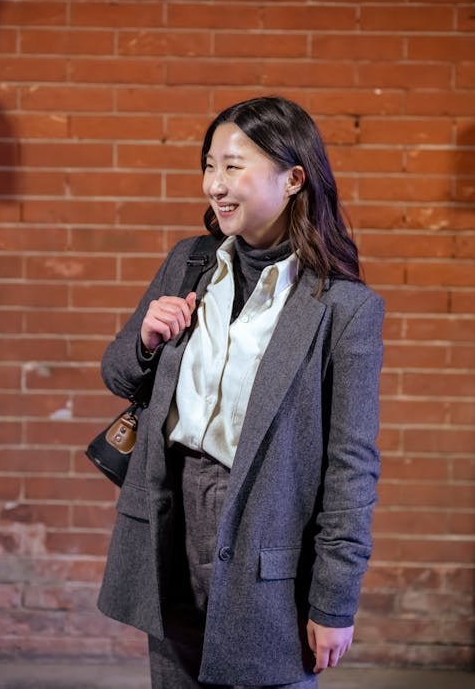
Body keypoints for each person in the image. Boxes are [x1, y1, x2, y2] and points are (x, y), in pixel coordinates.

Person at [97, 96, 384, 688]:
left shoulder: (344, 308)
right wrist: (147, 341)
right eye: (209, 165)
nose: (215, 185)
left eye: (233, 166)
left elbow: (351, 467)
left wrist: (335, 602)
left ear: (293, 178)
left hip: (265, 533)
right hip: (170, 510)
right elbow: (119, 375)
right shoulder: (189, 262)